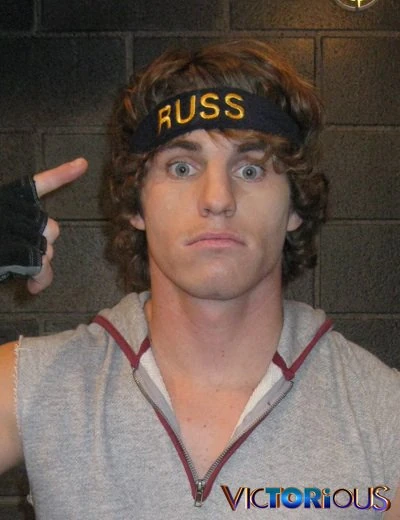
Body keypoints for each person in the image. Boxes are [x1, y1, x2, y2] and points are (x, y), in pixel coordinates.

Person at [0, 40, 399, 519]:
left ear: (295, 205)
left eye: (250, 169)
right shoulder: (35, 383)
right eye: (182, 167)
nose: (217, 199)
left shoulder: (382, 411)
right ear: (135, 204)